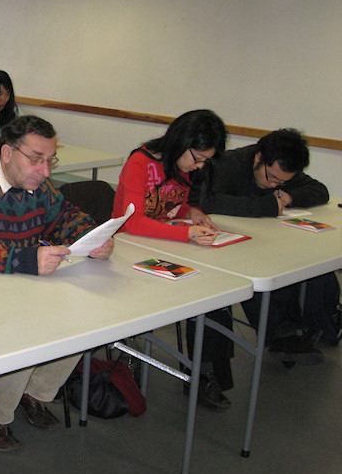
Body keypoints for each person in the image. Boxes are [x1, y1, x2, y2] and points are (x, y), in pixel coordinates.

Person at [0, 115, 113, 452]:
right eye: (36, 159)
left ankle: (35, 391)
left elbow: (64, 215)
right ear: (7, 153)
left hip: (18, 283)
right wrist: (25, 260)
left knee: (85, 319)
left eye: (49, 160)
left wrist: (92, 236)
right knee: (26, 326)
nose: (45, 171)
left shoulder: (36, 184)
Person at [112, 109, 231, 409]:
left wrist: (194, 213)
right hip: (127, 250)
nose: (199, 165)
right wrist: (186, 235)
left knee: (214, 292)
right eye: (198, 157)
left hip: (165, 245)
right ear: (181, 141)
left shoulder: (185, 166)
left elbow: (179, 203)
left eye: (206, 160)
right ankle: (131, 354)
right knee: (189, 290)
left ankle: (204, 374)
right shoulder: (140, 162)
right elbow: (133, 222)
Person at [193, 128, 331, 364]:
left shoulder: (282, 169)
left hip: (261, 240)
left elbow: (320, 191)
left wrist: (289, 197)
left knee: (301, 264)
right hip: (219, 245)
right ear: (258, 158)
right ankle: (282, 336)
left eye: (282, 182)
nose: (274, 184)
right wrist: (265, 206)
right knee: (256, 269)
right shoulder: (228, 164)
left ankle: (302, 330)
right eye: (271, 178)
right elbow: (207, 201)